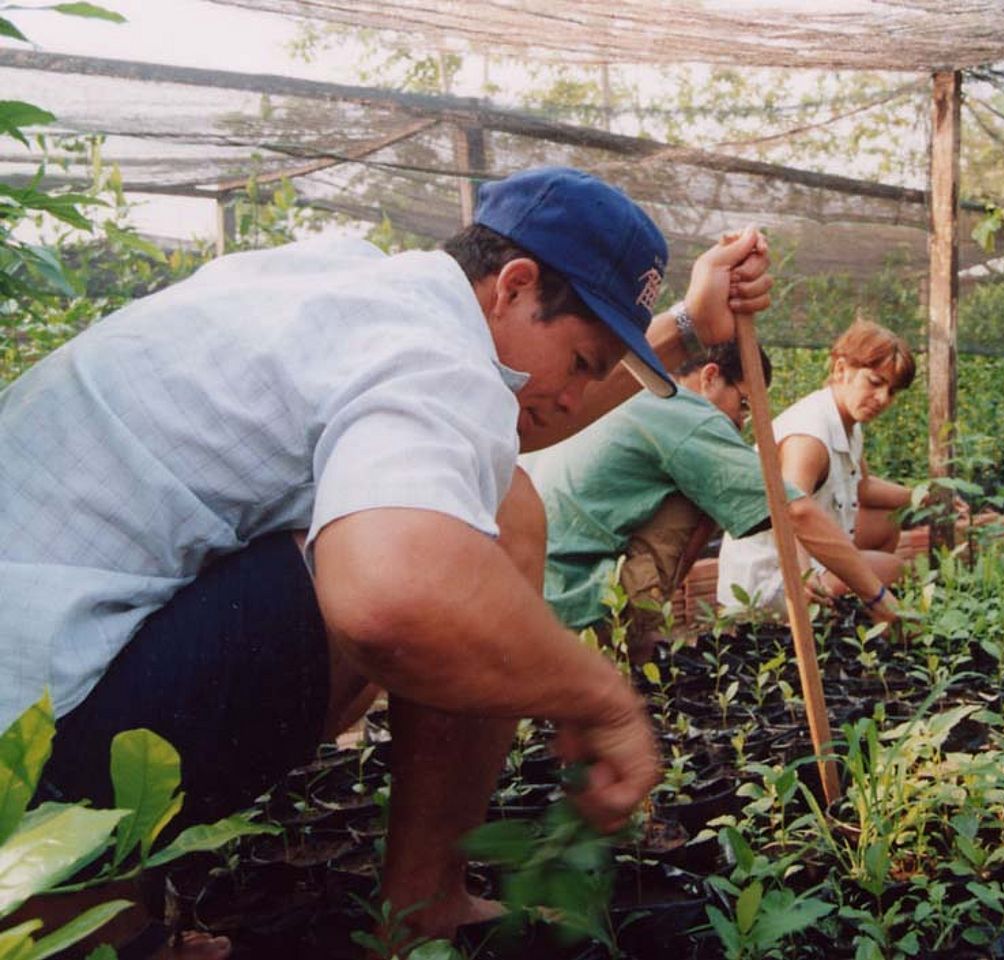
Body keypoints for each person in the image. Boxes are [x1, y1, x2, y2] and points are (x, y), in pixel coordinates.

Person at [1, 165, 772, 950]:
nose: (577, 399)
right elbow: (395, 595)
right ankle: (100, 923)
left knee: (484, 493)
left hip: (40, 688)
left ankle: (116, 922)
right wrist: (598, 699)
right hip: (28, 765)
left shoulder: (352, 282)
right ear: (513, 285)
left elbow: (515, 423)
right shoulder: (436, 351)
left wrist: (684, 324)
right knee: (489, 526)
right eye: (581, 362)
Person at [527, 331, 906, 663]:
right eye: (743, 404)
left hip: (530, 589)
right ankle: (627, 643)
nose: (741, 423)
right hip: (579, 605)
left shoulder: (629, 391)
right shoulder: (686, 414)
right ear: (710, 377)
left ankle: (632, 641)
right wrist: (878, 601)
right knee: (702, 496)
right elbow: (795, 510)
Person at [717, 318, 916, 619]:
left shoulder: (847, 421)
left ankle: (848, 619)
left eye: (892, 392)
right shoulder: (809, 437)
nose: (883, 399)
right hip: (768, 579)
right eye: (875, 383)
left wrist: (927, 496)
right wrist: (802, 575)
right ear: (840, 369)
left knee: (887, 520)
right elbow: (790, 510)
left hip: (803, 557)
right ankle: (836, 620)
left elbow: (862, 487)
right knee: (894, 569)